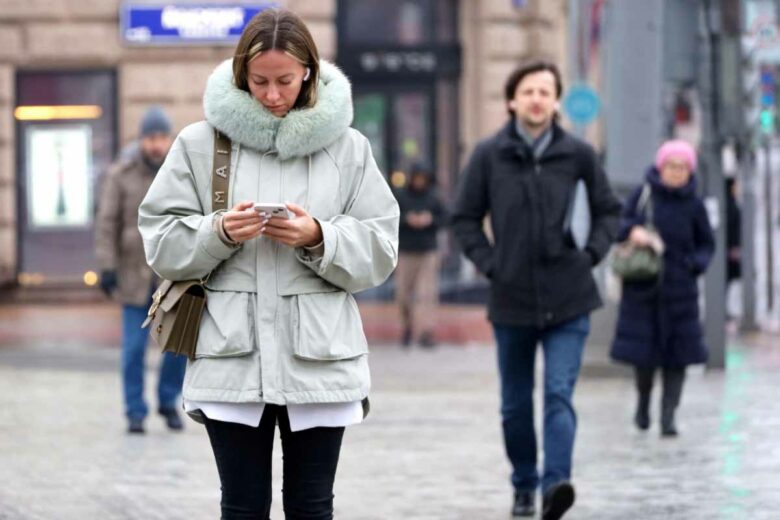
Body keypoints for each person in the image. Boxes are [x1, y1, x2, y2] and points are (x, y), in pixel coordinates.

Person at [138, 8, 399, 519]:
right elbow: (160, 238)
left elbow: (381, 246)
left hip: (320, 356)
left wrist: (319, 236)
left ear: (308, 72)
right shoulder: (198, 143)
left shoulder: (348, 148)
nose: (273, 95)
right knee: (241, 506)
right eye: (259, 81)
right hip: (231, 355)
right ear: (241, 75)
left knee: (311, 506)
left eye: (285, 80)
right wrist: (216, 233)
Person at [452, 60, 621, 519]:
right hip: (511, 299)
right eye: (528, 91)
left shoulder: (578, 155)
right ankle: (524, 484)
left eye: (546, 92)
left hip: (570, 297)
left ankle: (555, 488)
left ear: (556, 101)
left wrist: (590, 255)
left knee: (559, 393)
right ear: (512, 100)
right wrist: (491, 264)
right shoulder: (489, 155)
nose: (537, 99)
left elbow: (610, 210)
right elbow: (464, 218)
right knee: (514, 404)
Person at [610, 140, 715, 437]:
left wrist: (694, 264)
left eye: (682, 167)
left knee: (677, 358)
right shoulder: (643, 196)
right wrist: (634, 231)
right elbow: (618, 225)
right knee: (644, 357)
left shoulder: (695, 205)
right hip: (643, 289)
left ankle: (668, 416)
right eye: (671, 166)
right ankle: (643, 402)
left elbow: (706, 243)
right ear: (660, 167)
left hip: (681, 293)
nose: (676, 172)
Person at [96, 106, 186, 434]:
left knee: (177, 344)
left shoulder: (180, 172)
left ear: (168, 139)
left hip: (172, 275)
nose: (156, 144)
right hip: (133, 276)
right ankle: (135, 410)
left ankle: (168, 400)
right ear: (141, 139)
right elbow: (107, 223)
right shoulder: (121, 174)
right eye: (150, 137)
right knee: (133, 349)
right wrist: (107, 267)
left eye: (161, 137)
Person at [394, 163, 448, 348]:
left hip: (428, 251)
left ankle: (427, 332)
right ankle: (407, 327)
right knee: (403, 294)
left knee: (427, 294)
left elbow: (446, 218)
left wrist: (430, 220)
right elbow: (390, 217)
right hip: (406, 251)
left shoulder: (433, 198)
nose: (419, 182)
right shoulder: (401, 196)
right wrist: (407, 220)